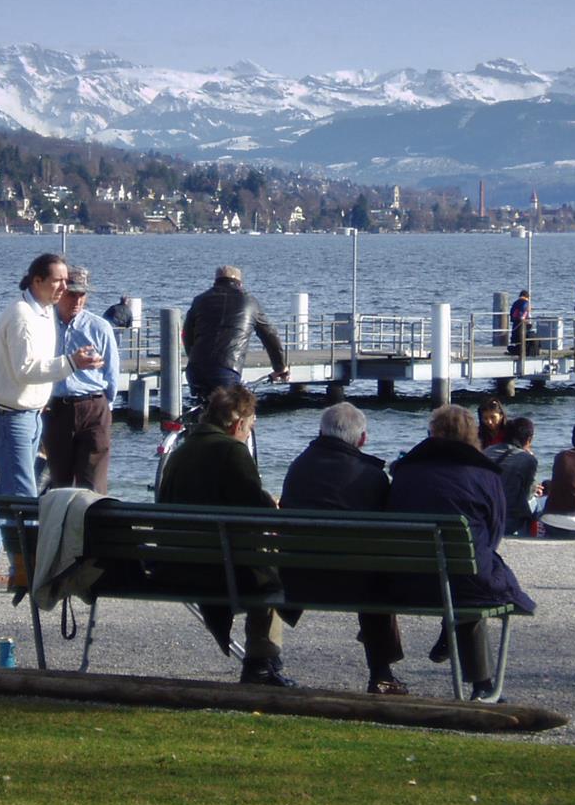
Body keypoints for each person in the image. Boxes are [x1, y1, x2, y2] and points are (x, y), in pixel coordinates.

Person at [0, 253, 103, 587]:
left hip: (32, 413)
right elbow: (25, 369)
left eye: (66, 281)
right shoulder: (22, 315)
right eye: (58, 281)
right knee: (23, 497)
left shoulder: (44, 311)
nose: (64, 287)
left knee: (7, 489)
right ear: (37, 280)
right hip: (12, 417)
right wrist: (70, 363)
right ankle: (26, 568)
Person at [387, 405, 535, 701]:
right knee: (470, 571)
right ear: (473, 434)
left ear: (433, 433)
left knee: (459, 568)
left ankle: (446, 634)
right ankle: (482, 684)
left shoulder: (405, 470)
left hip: (405, 580)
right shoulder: (484, 474)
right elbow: (494, 533)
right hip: (462, 579)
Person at [157, 384, 294, 686]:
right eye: (249, 428)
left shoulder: (180, 453)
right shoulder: (232, 450)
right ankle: (261, 661)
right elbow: (254, 511)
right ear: (237, 424)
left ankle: (263, 662)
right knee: (267, 564)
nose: (248, 435)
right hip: (218, 570)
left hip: (175, 564)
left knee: (257, 559)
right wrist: (272, 505)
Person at [279, 403, 406, 695]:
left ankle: (260, 662)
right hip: (356, 585)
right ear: (362, 440)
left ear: (320, 432)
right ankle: (381, 673)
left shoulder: (298, 466)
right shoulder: (371, 476)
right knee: (375, 574)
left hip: (298, 581)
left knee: (367, 568)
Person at [43, 266, 120, 494]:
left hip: (93, 406)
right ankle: (62, 528)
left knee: (93, 485)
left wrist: (106, 406)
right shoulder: (44, 326)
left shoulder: (99, 327)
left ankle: (92, 528)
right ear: (60, 293)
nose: (77, 301)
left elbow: (112, 373)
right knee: (61, 483)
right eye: (71, 294)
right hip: (56, 409)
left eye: (82, 295)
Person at [182, 265, 289, 398]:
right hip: (227, 369)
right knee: (228, 414)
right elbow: (269, 335)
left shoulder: (200, 300)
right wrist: (280, 367)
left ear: (216, 281)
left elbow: (186, 334)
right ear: (240, 283)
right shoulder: (250, 302)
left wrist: (192, 357)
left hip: (195, 369)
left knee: (202, 411)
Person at [484, 416, 540, 537]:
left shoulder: (486, 451)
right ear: (529, 439)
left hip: (486, 515)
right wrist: (535, 489)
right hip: (509, 520)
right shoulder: (528, 459)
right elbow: (527, 495)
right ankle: (530, 537)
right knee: (537, 502)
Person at [508, 290, 530, 358]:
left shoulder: (515, 302)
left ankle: (516, 349)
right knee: (522, 337)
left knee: (516, 338)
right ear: (527, 297)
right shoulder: (525, 302)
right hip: (521, 323)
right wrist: (524, 320)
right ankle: (522, 351)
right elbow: (522, 312)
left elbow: (511, 312)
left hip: (515, 323)